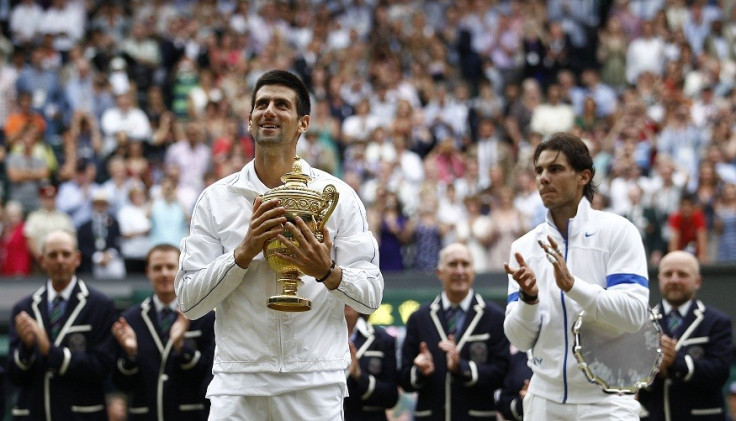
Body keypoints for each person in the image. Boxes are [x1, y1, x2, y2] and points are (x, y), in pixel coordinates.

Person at [175, 69, 383, 420]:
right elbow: (189, 301)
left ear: (303, 123)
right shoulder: (215, 200)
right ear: (250, 119)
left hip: (314, 382)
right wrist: (242, 254)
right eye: (262, 104)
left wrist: (327, 272)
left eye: (282, 105)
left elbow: (371, 295)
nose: (269, 111)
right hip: (238, 382)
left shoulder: (340, 198)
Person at [503, 132, 650, 420]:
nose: (544, 178)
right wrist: (529, 299)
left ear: (584, 176)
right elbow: (519, 340)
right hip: (543, 400)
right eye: (539, 170)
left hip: (608, 402)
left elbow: (634, 315)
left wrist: (573, 287)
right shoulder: (522, 247)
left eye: (555, 169)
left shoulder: (619, 231)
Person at [6, 229, 118, 420]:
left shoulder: (100, 305)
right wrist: (26, 348)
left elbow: (102, 368)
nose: (60, 260)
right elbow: (15, 376)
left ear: (77, 258)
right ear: (42, 260)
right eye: (53, 255)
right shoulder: (24, 309)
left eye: (66, 254)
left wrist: (50, 351)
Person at [399, 242, 510, 421]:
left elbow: (502, 374)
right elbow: (404, 380)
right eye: (452, 264)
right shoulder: (419, 318)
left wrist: (463, 368)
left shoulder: (494, 317)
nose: (459, 271)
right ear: (439, 272)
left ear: (473, 271)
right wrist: (419, 371)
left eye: (465, 264)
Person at [112, 244, 216, 421]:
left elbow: (208, 380)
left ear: (181, 270)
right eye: (157, 268)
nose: (164, 273)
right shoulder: (130, 319)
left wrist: (181, 348)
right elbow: (122, 384)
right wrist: (131, 355)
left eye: (170, 267)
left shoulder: (203, 316)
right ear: (148, 271)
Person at [638, 251, 733, 421]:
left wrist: (676, 361)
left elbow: (720, 372)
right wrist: (655, 370)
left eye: (682, 274)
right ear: (659, 279)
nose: (674, 280)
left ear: (697, 281)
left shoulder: (717, 322)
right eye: (668, 274)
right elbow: (628, 376)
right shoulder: (641, 323)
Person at [343, 305, 399, 420]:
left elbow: (391, 397)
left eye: (350, 292)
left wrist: (359, 376)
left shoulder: (382, 339)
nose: (345, 300)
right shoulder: (318, 338)